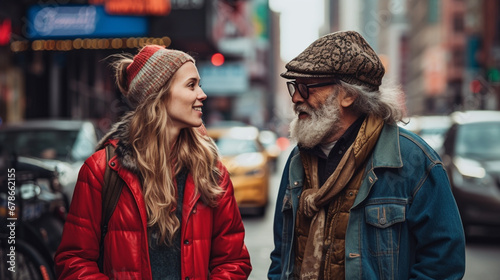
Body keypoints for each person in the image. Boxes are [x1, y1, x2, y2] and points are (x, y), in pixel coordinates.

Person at [268, 31, 465, 280]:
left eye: (307, 87)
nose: (296, 98)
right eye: (294, 87)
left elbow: (443, 264)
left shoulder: (414, 161)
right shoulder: (297, 161)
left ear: (349, 95)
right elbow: (282, 255)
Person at [55, 45, 252, 279]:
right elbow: (73, 260)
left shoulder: (211, 170)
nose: (202, 94)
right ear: (159, 94)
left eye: (199, 84)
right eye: (191, 85)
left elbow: (233, 261)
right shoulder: (101, 170)